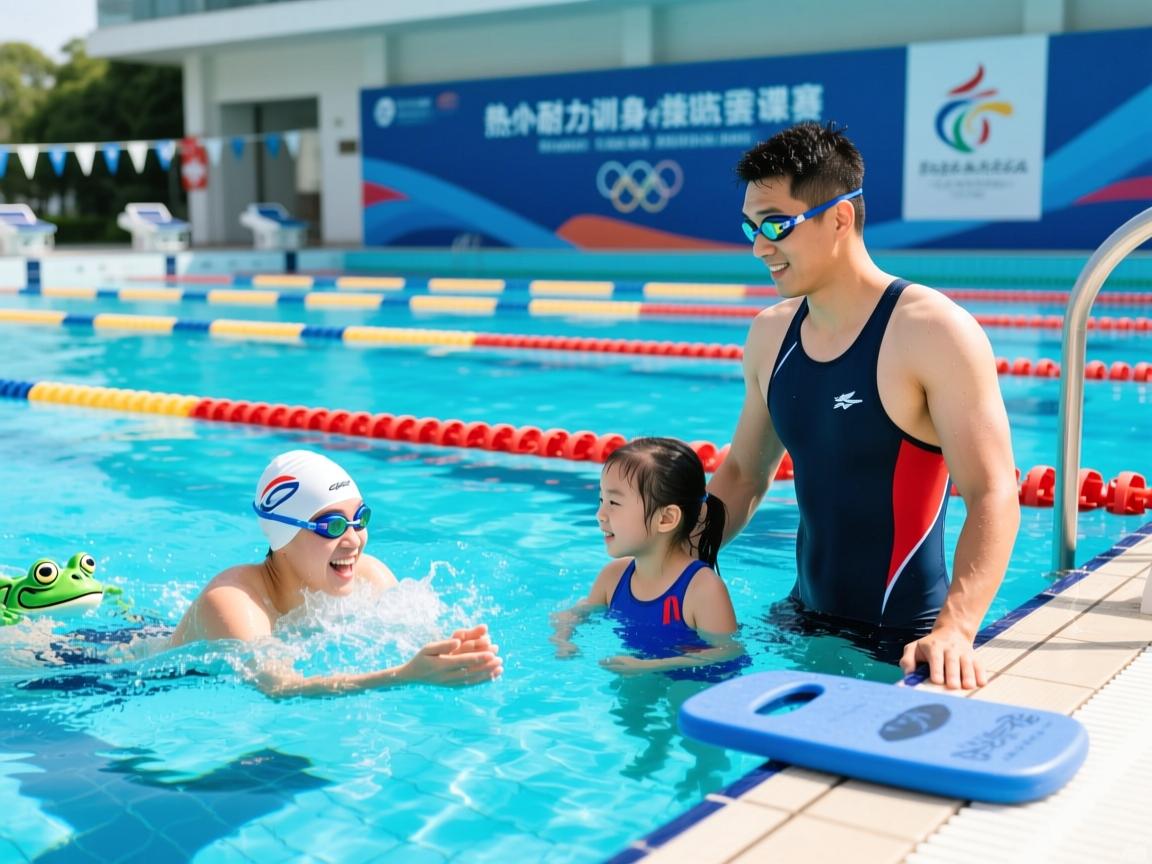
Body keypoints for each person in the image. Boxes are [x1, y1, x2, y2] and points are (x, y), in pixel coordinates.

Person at [708, 121, 1020, 690]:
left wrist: (957, 628)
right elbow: (744, 474)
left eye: (776, 225)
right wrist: (678, 559)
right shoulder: (769, 336)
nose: (759, 247)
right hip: (798, 621)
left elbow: (994, 492)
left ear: (840, 217)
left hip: (900, 643)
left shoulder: (932, 331)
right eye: (750, 227)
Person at [170, 449, 503, 695]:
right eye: (333, 526)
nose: (354, 540)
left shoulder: (369, 577)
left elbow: (419, 636)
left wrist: (455, 652)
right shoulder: (233, 602)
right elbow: (280, 687)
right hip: (136, 681)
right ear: (282, 536)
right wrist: (403, 676)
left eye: (361, 519)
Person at [552, 437, 741, 674]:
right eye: (601, 499)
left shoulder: (702, 589)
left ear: (666, 519)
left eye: (614, 502)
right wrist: (564, 638)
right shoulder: (613, 578)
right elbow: (575, 613)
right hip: (634, 671)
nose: (600, 514)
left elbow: (728, 652)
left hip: (690, 685)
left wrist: (653, 666)